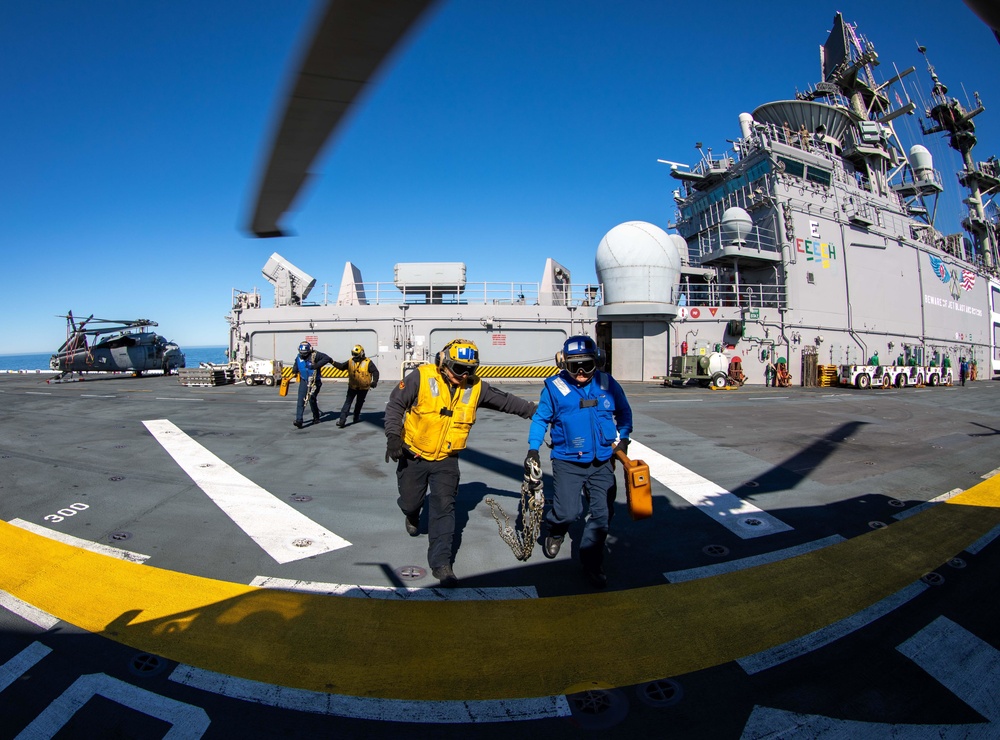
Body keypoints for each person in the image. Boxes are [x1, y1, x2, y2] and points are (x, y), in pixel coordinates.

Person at [384, 339, 536, 587]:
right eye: (458, 369)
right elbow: (395, 405)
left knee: (444, 507)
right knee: (411, 500)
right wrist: (392, 436)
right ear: (443, 363)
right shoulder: (420, 377)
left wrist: (537, 412)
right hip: (413, 454)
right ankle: (411, 514)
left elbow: (508, 402)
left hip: (446, 459)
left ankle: (442, 564)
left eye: (470, 370)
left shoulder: (475, 387)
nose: (464, 375)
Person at [525, 335, 632, 588]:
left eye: (587, 365)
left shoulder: (607, 384)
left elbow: (624, 412)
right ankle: (556, 529)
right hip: (568, 462)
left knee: (602, 514)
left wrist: (624, 437)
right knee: (567, 512)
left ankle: (592, 562)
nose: (581, 372)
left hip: (602, 461)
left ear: (598, 361)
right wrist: (533, 449)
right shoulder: (554, 388)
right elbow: (540, 419)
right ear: (563, 364)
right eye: (574, 367)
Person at [332, 345, 379, 428]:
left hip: (363, 388)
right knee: (347, 403)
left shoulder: (368, 362)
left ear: (361, 353)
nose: (354, 356)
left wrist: (374, 381)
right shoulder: (351, 361)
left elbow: (375, 372)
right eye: (353, 354)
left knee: (359, 403)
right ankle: (342, 420)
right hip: (352, 387)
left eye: (356, 354)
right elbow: (341, 367)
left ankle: (356, 416)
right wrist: (332, 362)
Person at [290, 341, 333, 428]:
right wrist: (294, 371)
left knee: (311, 399)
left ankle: (316, 417)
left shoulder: (315, 355)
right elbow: (296, 364)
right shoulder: (298, 357)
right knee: (300, 400)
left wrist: (316, 366)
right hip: (304, 381)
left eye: (305, 354)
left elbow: (327, 358)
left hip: (314, 381)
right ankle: (299, 420)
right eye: (302, 353)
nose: (303, 355)